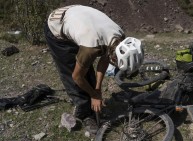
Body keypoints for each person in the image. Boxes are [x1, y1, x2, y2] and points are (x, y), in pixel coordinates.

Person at [44, 5, 144, 134]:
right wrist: (93, 95)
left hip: (77, 19)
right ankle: (85, 113)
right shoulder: (90, 47)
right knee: (73, 72)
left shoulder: (120, 38)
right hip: (56, 26)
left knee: (87, 72)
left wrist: (97, 89)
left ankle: (92, 104)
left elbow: (103, 61)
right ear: (115, 57)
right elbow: (77, 77)